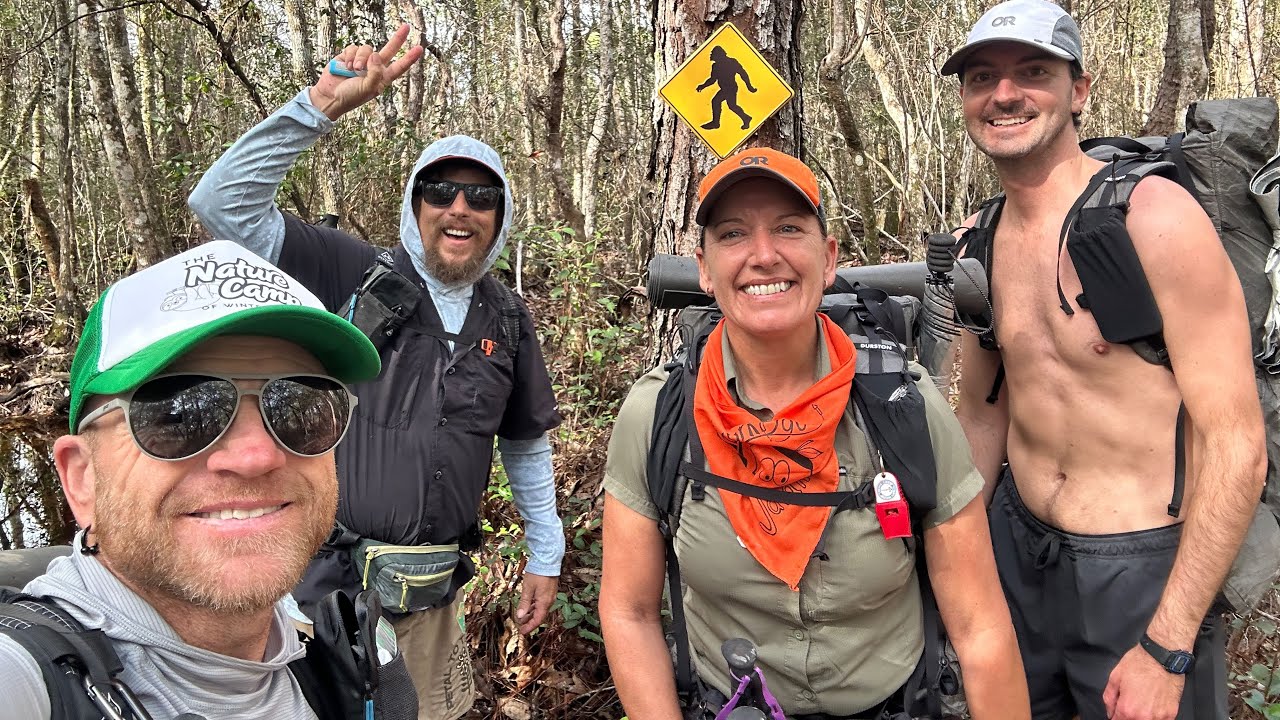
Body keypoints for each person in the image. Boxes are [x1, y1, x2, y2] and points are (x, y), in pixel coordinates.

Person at [187, 25, 565, 720]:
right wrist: (321, 103)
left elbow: (525, 443)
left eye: (482, 198)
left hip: (431, 602)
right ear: (414, 204)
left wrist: (546, 552)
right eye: (441, 190)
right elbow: (222, 205)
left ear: (502, 216)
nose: (460, 208)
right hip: (320, 599)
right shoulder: (346, 272)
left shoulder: (506, 319)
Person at [598, 148, 1030, 719]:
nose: (763, 255)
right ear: (704, 268)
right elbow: (628, 611)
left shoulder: (903, 407)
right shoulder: (659, 414)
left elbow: (980, 626)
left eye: (788, 228)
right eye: (732, 234)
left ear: (827, 258)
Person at [942, 1, 1267, 718]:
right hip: (1018, 555)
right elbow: (982, 418)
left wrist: (1167, 645)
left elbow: (1236, 442)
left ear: (1079, 90)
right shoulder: (977, 240)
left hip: (1141, 572)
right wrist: (954, 563)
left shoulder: (1154, 218)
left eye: (1033, 73)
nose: (1003, 95)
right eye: (982, 78)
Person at [0, 240, 387, 718]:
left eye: (299, 409)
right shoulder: (25, 680)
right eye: (176, 416)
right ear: (82, 478)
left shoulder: (332, 655)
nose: (256, 455)